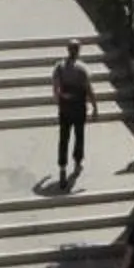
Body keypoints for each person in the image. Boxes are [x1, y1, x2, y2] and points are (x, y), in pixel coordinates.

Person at [52, 40, 96, 186]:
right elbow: (89, 89)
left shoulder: (59, 67)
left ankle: (62, 168)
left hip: (65, 109)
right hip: (78, 108)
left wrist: (60, 100)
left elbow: (56, 88)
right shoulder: (82, 69)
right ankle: (77, 162)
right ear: (78, 51)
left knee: (64, 138)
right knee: (79, 135)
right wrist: (95, 106)